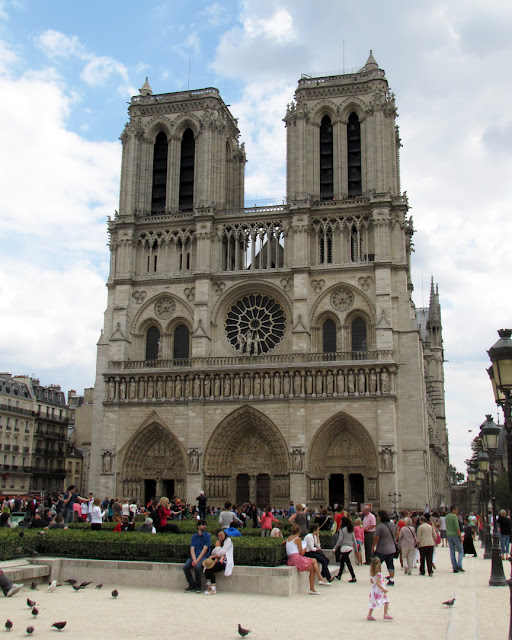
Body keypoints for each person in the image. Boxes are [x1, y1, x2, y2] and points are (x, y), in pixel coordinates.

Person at [285, 523, 330, 595]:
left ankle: (315, 585)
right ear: (299, 532)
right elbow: (302, 553)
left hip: (290, 559)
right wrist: (304, 548)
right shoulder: (298, 539)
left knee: (312, 568)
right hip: (296, 558)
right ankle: (319, 579)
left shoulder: (288, 538)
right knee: (314, 560)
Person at [183, 519, 211, 593]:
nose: (204, 526)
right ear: (198, 526)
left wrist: (197, 560)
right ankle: (191, 585)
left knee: (198, 567)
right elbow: (192, 549)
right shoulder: (194, 537)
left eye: (205, 525)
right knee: (186, 567)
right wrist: (194, 559)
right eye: (202, 524)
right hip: (194, 557)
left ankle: (198, 587)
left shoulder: (207, 536)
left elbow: (205, 549)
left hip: (203, 557)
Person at [203, 529, 233, 595]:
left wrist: (213, 557)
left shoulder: (228, 540)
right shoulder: (219, 541)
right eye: (220, 535)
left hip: (224, 561)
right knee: (207, 569)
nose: (222, 536)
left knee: (210, 569)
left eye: (222, 534)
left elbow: (223, 551)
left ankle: (213, 589)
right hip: (217, 560)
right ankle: (209, 586)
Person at [372, 510, 397, 586]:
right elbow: (397, 533)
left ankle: (379, 579)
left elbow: (376, 538)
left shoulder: (380, 526)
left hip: (381, 549)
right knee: (390, 564)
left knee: (377, 564)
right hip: (391, 548)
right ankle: (392, 580)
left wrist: (373, 547)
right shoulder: (393, 525)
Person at [333, 516, 357, 582]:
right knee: (342, 561)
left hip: (344, 547)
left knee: (347, 562)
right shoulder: (351, 529)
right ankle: (339, 575)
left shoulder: (342, 529)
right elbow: (354, 540)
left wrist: (335, 547)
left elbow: (340, 540)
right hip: (350, 547)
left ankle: (353, 577)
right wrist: (356, 550)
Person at [445, 505, 464, 573]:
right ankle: (459, 565)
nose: (457, 511)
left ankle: (454, 567)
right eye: (456, 510)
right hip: (455, 535)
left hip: (449, 535)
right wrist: (460, 536)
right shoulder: (454, 517)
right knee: (461, 551)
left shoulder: (447, 517)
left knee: (452, 551)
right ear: (453, 510)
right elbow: (457, 527)